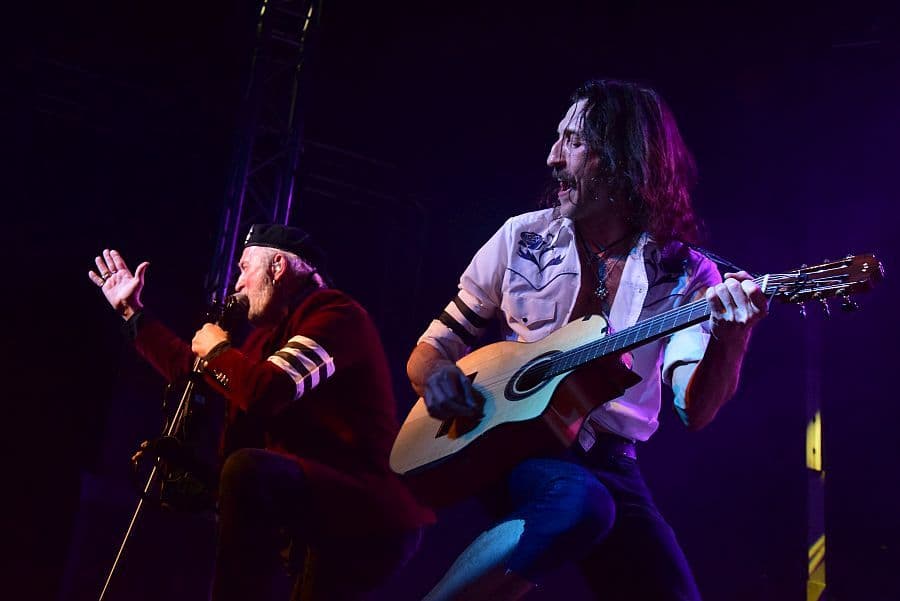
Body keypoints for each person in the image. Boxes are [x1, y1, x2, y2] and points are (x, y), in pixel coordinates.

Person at [405, 79, 768, 600]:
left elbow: (697, 411)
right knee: (581, 502)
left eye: (573, 142)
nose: (553, 157)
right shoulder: (520, 237)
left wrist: (732, 337)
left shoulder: (688, 277)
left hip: (612, 463)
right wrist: (439, 375)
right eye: (559, 139)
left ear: (624, 160)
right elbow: (431, 349)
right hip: (512, 445)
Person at [89, 224, 434, 600]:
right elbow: (196, 375)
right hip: (321, 519)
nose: (236, 283)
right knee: (241, 471)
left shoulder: (336, 315)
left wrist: (218, 351)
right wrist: (132, 314)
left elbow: (268, 390)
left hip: (365, 516)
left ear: (278, 267)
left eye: (244, 268)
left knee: (247, 469)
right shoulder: (264, 341)